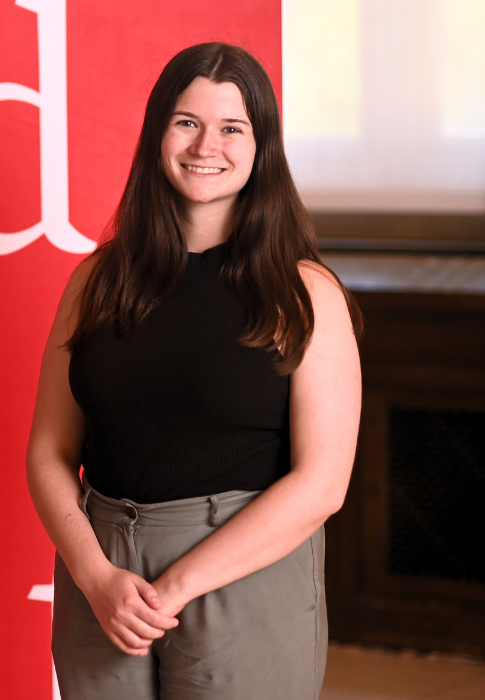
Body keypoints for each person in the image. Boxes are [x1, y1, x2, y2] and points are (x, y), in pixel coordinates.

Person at [25, 42, 363, 699]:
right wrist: (96, 577)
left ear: (261, 145)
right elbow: (48, 449)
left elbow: (323, 483)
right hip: (104, 574)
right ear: (157, 133)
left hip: (243, 568)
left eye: (232, 128)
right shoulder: (95, 282)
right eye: (187, 122)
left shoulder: (305, 293)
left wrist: (174, 586)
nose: (207, 144)